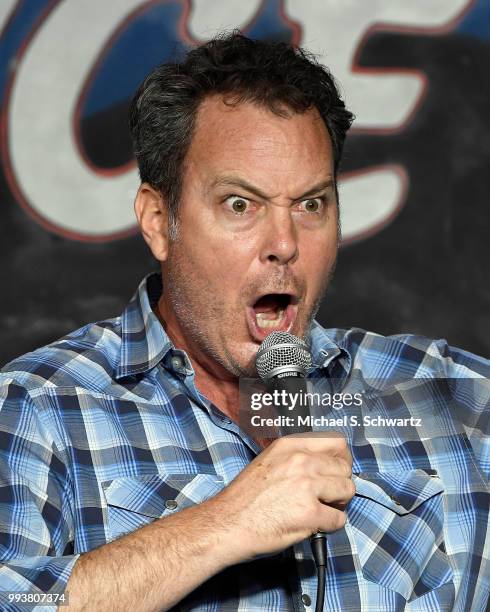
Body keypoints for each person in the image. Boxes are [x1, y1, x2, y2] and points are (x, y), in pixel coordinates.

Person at [0, 32, 488, 612]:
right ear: (159, 220)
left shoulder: (450, 398)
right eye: (240, 204)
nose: (284, 244)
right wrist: (225, 523)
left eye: (310, 205)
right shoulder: (43, 405)